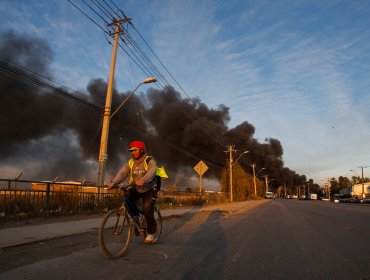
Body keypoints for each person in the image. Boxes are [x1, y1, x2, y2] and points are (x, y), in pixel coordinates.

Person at [107, 140, 158, 243]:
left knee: (147, 208)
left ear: (142, 150)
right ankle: (137, 217)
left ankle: (151, 233)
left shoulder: (149, 160)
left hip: (149, 189)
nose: (132, 152)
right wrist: (114, 182)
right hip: (136, 188)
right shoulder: (130, 162)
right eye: (131, 151)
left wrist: (143, 180)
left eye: (134, 150)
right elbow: (123, 173)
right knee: (127, 199)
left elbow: (152, 171)